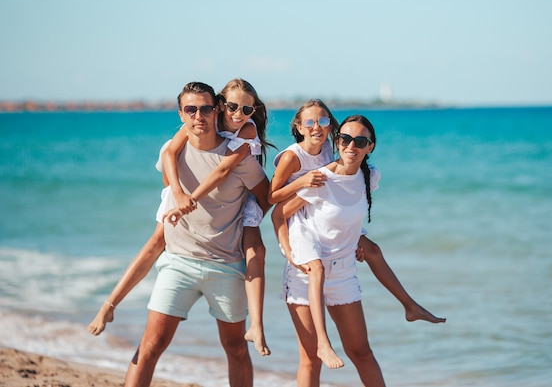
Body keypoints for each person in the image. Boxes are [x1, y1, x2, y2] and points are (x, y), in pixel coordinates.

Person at [87, 79, 273, 357]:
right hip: (181, 196)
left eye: (246, 109)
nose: (238, 114)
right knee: (155, 243)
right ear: (222, 104)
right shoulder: (198, 123)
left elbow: (222, 173)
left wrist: (192, 200)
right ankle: (110, 304)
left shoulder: (246, 131)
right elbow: (171, 153)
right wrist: (177, 193)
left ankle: (257, 325)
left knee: (255, 249)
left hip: (241, 201)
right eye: (232, 106)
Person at [269, 100, 445, 325]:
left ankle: (410, 306)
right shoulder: (294, 157)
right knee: (317, 269)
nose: (317, 127)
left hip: (324, 213)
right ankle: (323, 342)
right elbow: (273, 199)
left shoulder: (327, 148)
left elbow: (342, 180)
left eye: (323, 121)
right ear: (299, 127)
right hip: (302, 219)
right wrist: (286, 246)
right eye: (310, 122)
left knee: (372, 250)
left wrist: (349, 241)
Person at [272, 114, 386, 386]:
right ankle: (324, 343)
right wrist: (288, 251)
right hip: (305, 272)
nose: (351, 145)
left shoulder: (369, 176)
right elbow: (280, 213)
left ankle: (411, 306)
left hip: (343, 273)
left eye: (360, 141)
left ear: (370, 146)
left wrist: (357, 240)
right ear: (337, 141)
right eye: (345, 139)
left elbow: (347, 218)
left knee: (362, 352)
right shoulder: (321, 178)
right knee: (310, 358)